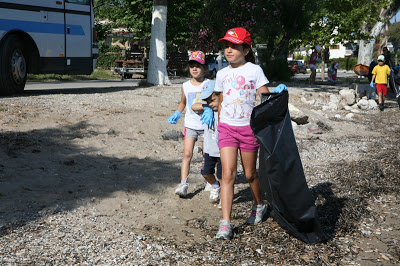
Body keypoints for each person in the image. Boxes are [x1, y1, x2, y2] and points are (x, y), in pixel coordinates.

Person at [213, 27, 270, 240]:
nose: (229, 50)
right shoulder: (221, 73)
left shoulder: (255, 71)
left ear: (246, 50)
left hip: (248, 129)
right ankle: (225, 223)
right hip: (227, 128)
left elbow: (265, 98)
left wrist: (276, 97)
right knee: (226, 174)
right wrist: (217, 122)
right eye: (226, 46)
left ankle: (259, 204)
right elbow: (219, 100)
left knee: (249, 174)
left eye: (234, 46)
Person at [168, 51, 209, 197]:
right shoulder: (185, 85)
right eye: (192, 65)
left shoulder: (209, 84)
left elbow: (215, 102)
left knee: (207, 155)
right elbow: (183, 102)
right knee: (187, 154)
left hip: (206, 126)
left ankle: (209, 181)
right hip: (190, 124)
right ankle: (183, 183)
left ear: (205, 68)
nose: (195, 68)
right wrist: (177, 113)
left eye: (198, 65)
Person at [191, 80, 221, 203]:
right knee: (205, 172)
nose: (210, 103)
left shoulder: (225, 111)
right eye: (207, 101)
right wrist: (206, 107)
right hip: (209, 149)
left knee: (223, 176)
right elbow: (193, 106)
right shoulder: (207, 109)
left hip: (223, 150)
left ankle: (224, 198)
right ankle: (215, 185)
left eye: (212, 100)